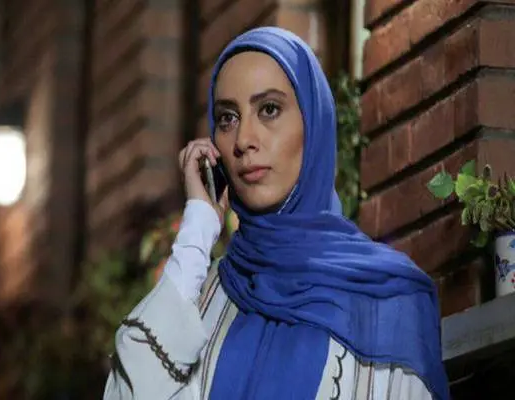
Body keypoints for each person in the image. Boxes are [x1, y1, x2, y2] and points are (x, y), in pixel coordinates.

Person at [103, 27, 449, 400]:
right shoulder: (202, 296)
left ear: (313, 125)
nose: (243, 140)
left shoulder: (387, 296)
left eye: (269, 110)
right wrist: (197, 228)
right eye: (227, 118)